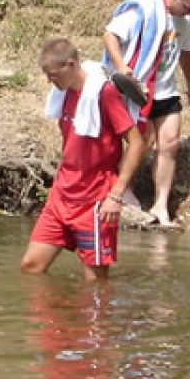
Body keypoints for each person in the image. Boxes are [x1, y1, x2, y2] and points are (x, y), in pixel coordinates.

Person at [21, 37, 147, 281]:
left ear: (70, 65)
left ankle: (93, 320)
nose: (50, 81)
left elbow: (137, 143)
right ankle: (54, 318)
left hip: (96, 200)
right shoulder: (64, 93)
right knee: (31, 267)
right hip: (62, 195)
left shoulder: (104, 94)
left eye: (53, 75)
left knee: (95, 283)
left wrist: (116, 195)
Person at [101, 0, 190, 226]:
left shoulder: (184, 20)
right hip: (138, 87)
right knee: (144, 141)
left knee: (169, 144)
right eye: (188, 7)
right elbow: (109, 35)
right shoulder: (145, 8)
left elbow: (185, 52)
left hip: (166, 91)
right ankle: (122, 189)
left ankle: (161, 206)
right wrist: (121, 67)